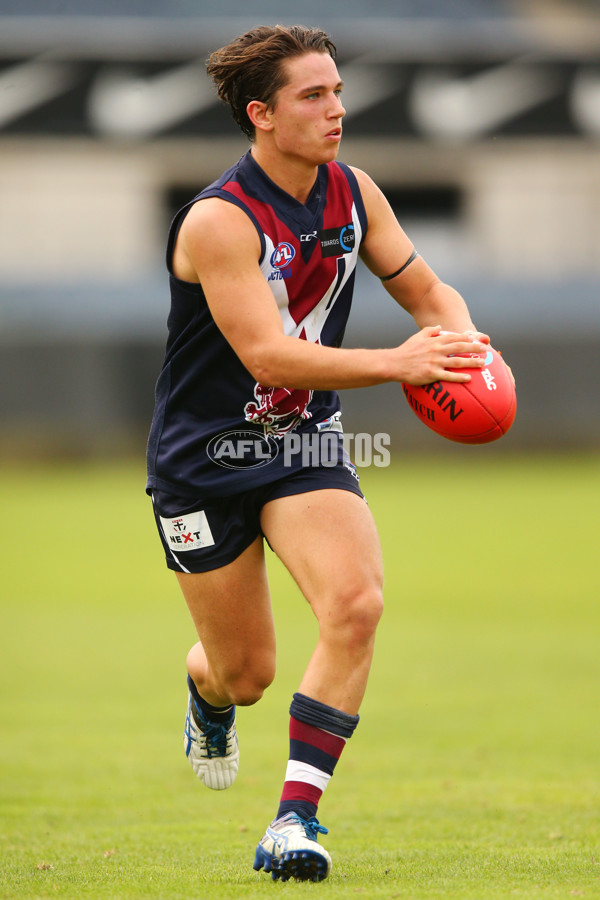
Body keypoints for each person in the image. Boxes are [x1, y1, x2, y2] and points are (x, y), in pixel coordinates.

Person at [146, 24, 492, 883]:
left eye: (337, 91)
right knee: (246, 671)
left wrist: (460, 338)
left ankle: (294, 821)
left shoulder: (354, 192)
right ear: (261, 114)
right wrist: (401, 362)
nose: (336, 109)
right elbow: (269, 356)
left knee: (356, 605)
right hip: (205, 460)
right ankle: (206, 691)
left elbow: (424, 288)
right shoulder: (219, 222)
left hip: (303, 441)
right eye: (313, 95)